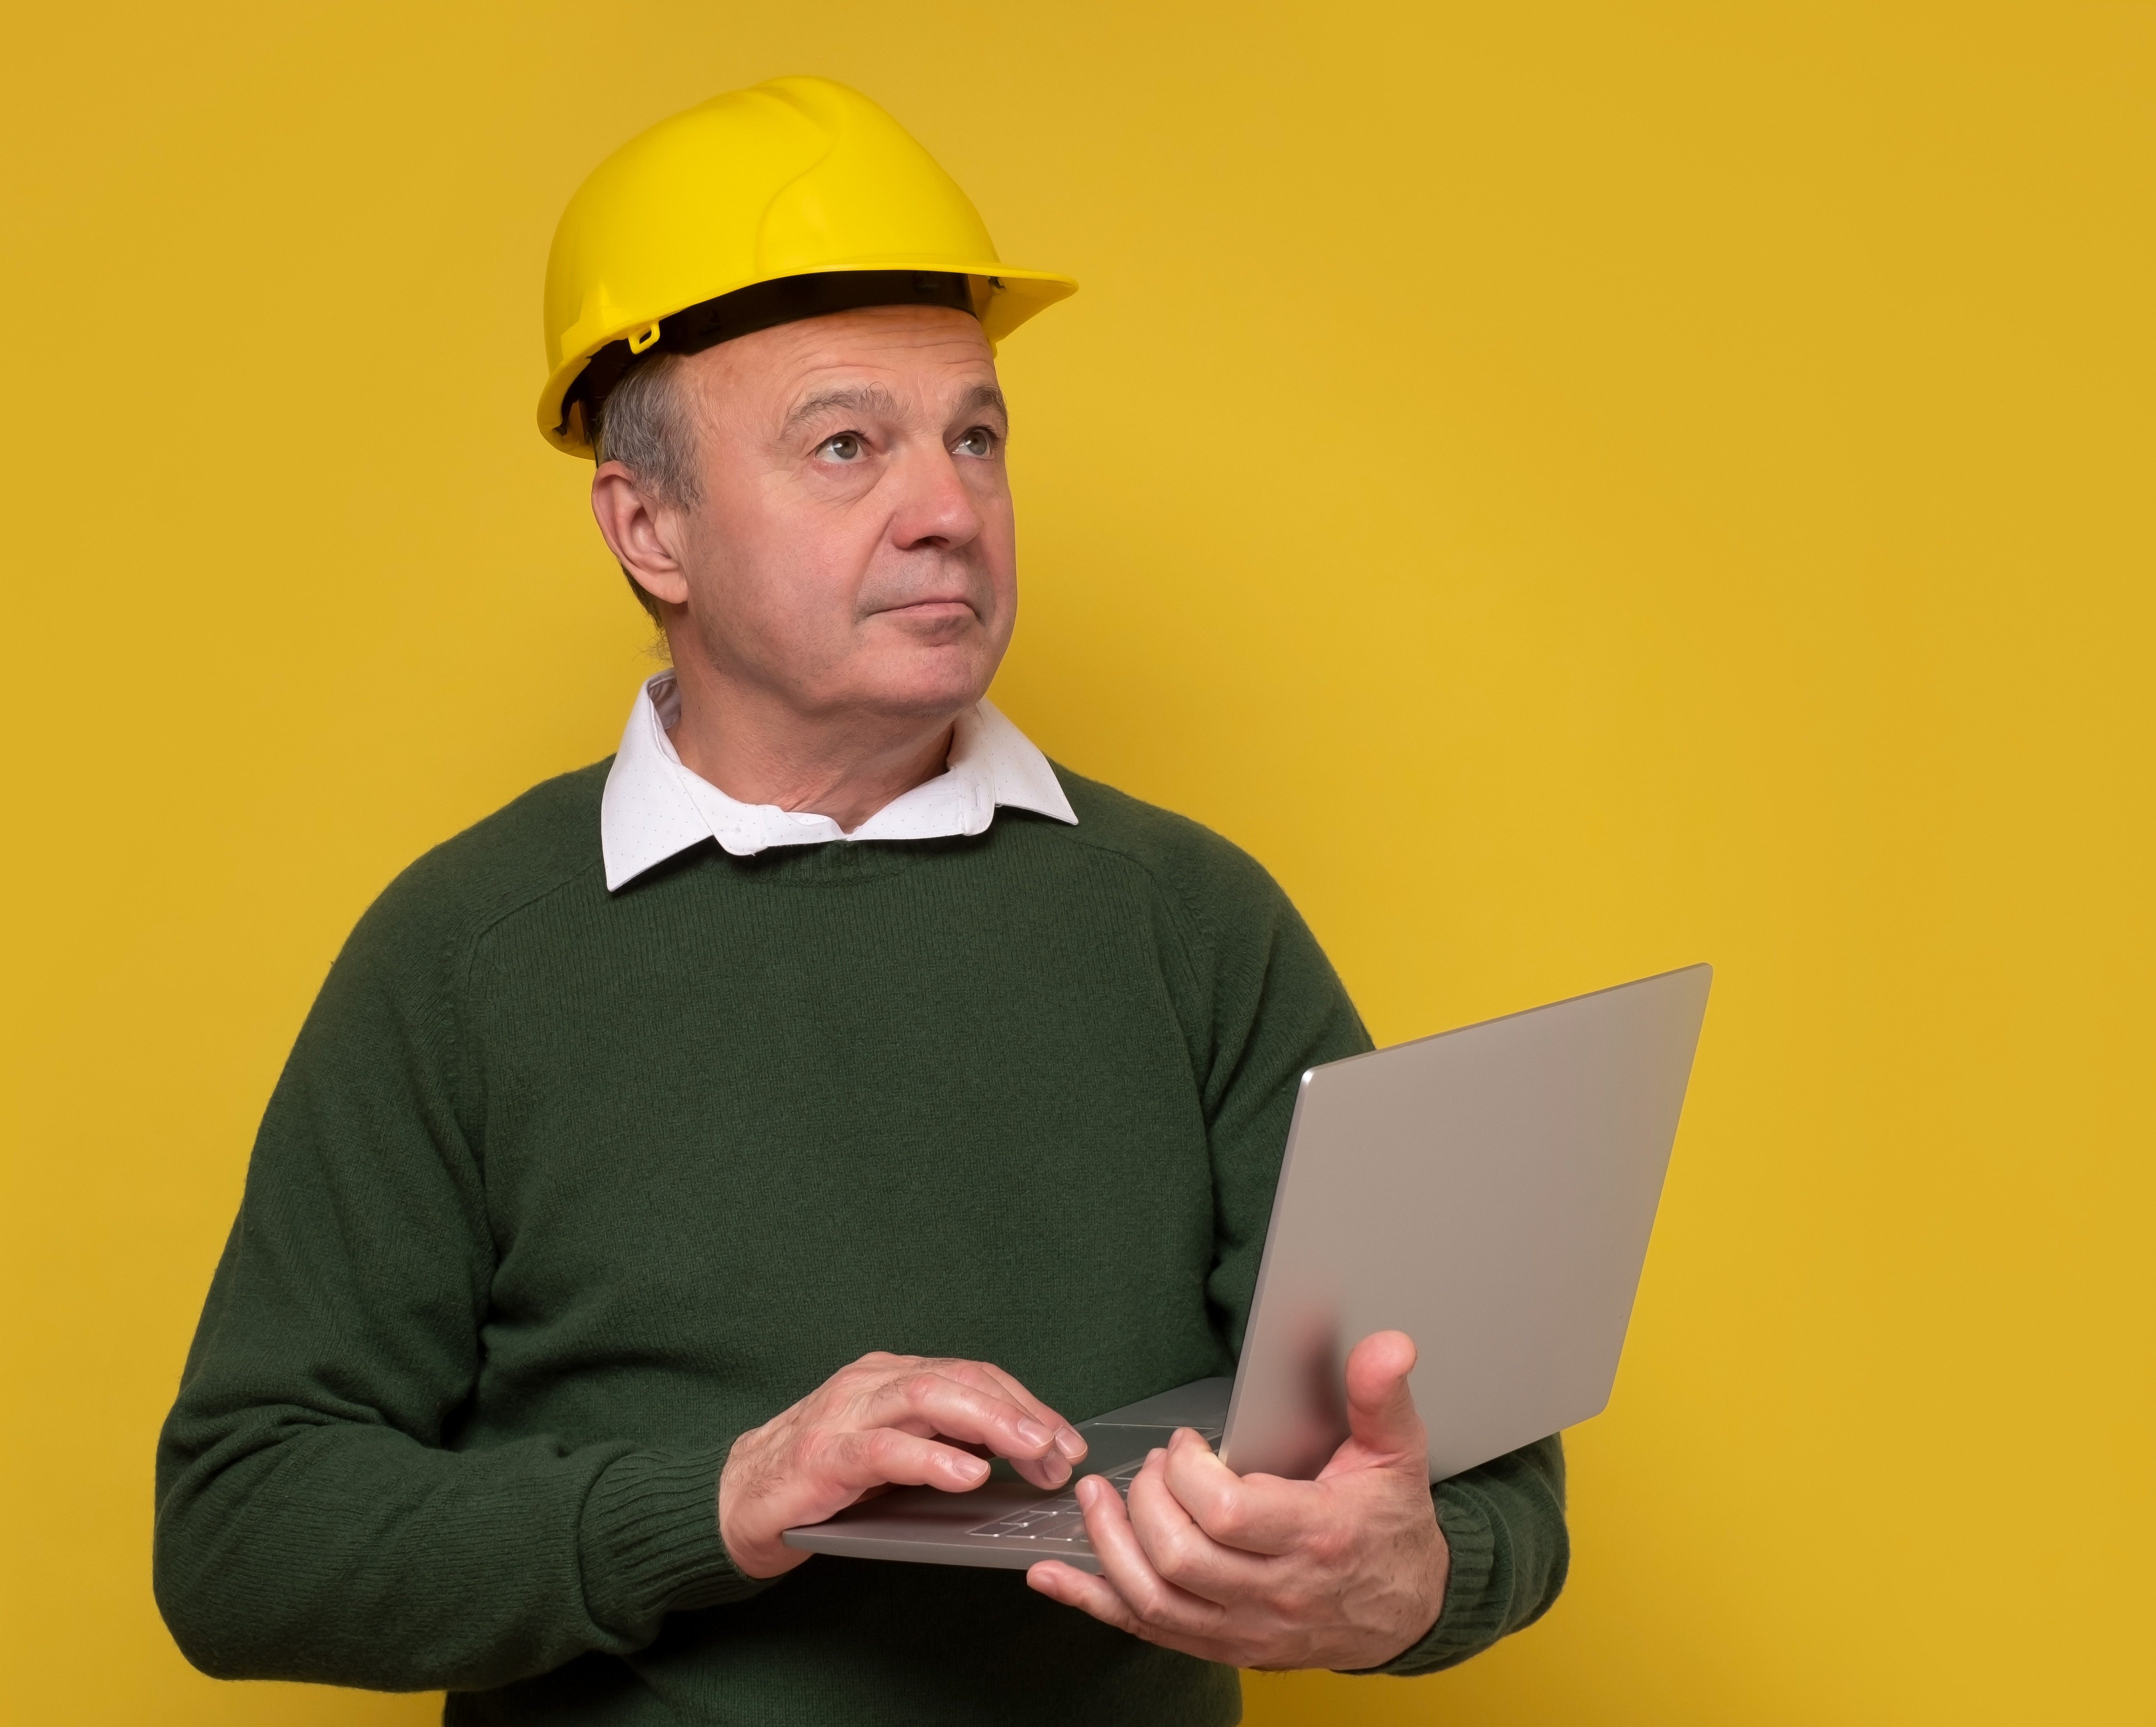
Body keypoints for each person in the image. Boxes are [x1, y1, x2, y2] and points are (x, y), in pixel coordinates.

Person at [154, 77, 1567, 1725]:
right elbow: (242, 1531)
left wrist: (1408, 1583)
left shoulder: (1193, 924)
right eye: (848, 446)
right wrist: (727, 1498)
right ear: (648, 525)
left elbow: (1478, 1488)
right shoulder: (466, 954)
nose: (946, 508)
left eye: (976, 437)